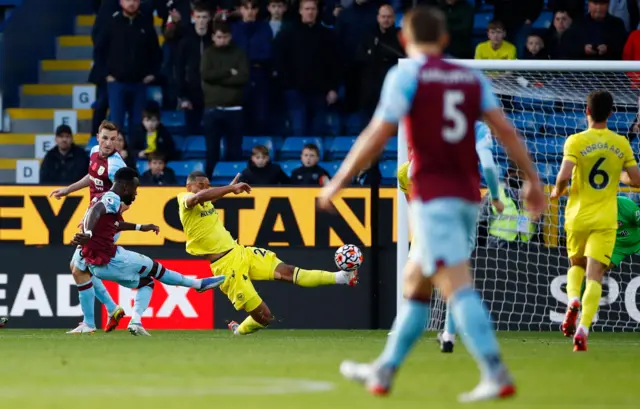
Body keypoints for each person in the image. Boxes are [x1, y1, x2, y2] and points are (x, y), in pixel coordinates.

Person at [318, 6, 545, 402]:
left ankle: (495, 370)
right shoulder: (471, 77)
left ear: (405, 40)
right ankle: (385, 371)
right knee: (416, 285)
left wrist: (338, 181)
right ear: (444, 40)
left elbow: (378, 133)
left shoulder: (407, 74)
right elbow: (505, 131)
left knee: (456, 285)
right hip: (466, 197)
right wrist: (532, 179)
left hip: (435, 197)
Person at [177, 171, 359, 336]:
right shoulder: (184, 198)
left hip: (241, 252)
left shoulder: (206, 201)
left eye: (208, 185)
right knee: (265, 317)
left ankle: (342, 277)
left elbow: (207, 197)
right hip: (225, 266)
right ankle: (238, 330)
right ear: (189, 186)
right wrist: (230, 188)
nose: (205, 188)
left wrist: (225, 191)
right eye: (201, 185)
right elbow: (198, 198)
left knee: (288, 271)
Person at [71, 167, 225, 336]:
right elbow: (96, 211)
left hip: (98, 264)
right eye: (134, 189)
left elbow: (112, 224)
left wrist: (140, 227)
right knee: (156, 269)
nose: (135, 193)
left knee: (147, 282)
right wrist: (88, 233)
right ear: (125, 186)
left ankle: (135, 321)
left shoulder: (103, 198)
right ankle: (197, 285)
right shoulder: (112, 199)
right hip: (113, 260)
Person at [395, 122, 504, 353]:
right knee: (458, 279)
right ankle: (451, 335)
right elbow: (488, 166)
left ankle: (390, 362)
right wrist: (495, 196)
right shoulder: (477, 127)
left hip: (433, 212)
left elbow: (414, 177)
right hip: (465, 207)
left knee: (417, 281)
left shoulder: (430, 128)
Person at [550, 90, 640, 351]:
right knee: (595, 276)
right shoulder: (621, 143)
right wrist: (619, 176)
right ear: (612, 113)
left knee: (575, 264)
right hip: (605, 219)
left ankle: (572, 301)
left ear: (586, 111)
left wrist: (557, 191)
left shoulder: (575, 141)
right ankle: (583, 329)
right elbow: (635, 179)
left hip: (577, 216)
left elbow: (564, 174)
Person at [49, 121, 126, 335]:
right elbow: (92, 178)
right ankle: (112, 309)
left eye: (114, 139)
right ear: (98, 138)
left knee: (78, 269)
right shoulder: (93, 152)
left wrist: (96, 221)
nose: (109, 143)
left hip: (103, 226)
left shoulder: (117, 167)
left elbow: (126, 201)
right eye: (105, 138)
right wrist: (68, 190)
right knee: (79, 268)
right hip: (92, 221)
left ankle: (90, 323)